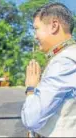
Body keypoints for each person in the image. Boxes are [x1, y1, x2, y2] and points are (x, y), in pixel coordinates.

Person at [21, 2, 76, 137]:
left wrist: (31, 88)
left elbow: (31, 119)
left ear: (54, 26)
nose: (35, 36)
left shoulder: (64, 62)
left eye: (36, 28)